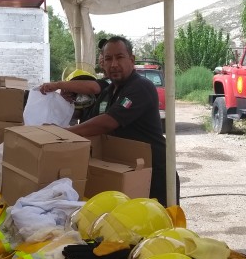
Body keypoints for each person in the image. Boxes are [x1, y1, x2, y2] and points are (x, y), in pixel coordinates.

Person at [38, 36, 178, 206]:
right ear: (102, 63)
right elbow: (91, 123)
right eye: (108, 59)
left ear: (131, 60)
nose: (113, 64)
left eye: (119, 57)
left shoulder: (141, 86)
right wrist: (65, 109)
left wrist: (62, 134)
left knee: (158, 226)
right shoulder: (109, 92)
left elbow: (107, 122)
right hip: (126, 170)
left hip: (154, 172)